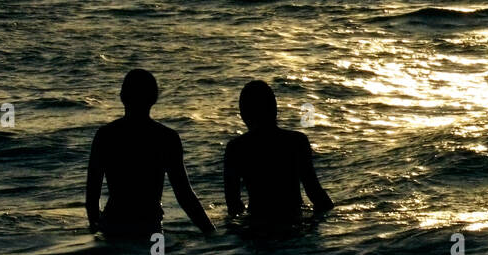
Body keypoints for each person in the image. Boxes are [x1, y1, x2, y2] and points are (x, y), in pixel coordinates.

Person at [85, 69, 215, 237]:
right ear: (154, 98)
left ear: (122, 96)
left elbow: (92, 194)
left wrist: (96, 230)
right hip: (151, 227)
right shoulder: (166, 138)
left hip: (113, 227)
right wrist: (210, 232)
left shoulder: (106, 135)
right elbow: (184, 195)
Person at [224, 80, 333, 224]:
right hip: (294, 223)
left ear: (243, 114)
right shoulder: (297, 142)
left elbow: (233, 206)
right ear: (274, 109)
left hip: (256, 227)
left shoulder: (236, 148)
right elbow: (316, 195)